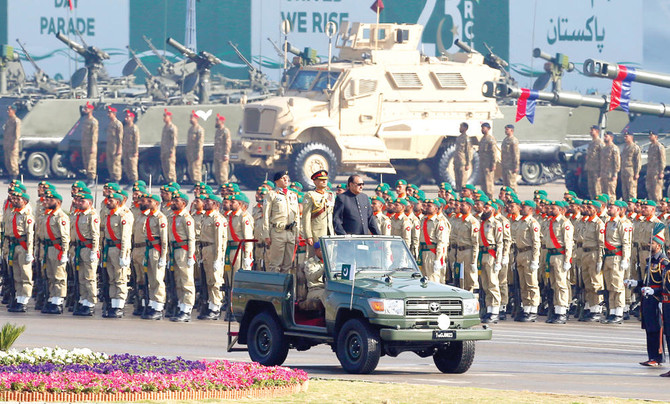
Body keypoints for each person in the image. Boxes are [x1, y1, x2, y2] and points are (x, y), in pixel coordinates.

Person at [630, 224, 666, 367]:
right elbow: (647, 281)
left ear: (659, 245)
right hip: (647, 300)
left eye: (652, 243)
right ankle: (651, 356)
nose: (649, 245)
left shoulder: (663, 262)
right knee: (649, 329)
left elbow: (664, 284)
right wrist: (636, 283)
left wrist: (655, 292)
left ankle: (657, 358)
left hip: (657, 299)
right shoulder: (650, 261)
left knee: (657, 330)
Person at [101, 193, 133, 318]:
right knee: (112, 279)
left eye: (111, 200)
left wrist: (124, 255)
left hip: (119, 249)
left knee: (120, 278)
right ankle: (113, 305)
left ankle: (119, 306)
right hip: (109, 249)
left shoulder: (122, 216)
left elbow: (125, 237)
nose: (108, 202)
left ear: (118, 202)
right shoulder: (108, 216)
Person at [262, 171, 300, 273]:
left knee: (288, 265)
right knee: (275, 265)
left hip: (290, 232)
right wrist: (266, 234)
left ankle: (285, 288)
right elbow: (265, 215)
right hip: (277, 232)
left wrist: (297, 234)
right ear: (276, 181)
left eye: (287, 178)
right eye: (283, 178)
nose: (286, 180)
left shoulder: (293, 195)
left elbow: (297, 216)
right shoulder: (271, 195)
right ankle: (275, 288)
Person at [510, 200, 541, 322]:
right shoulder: (521, 222)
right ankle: (526, 308)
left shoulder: (532, 223)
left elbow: (536, 242)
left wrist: (535, 259)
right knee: (523, 284)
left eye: (524, 207)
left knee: (531, 284)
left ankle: (533, 309)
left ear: (531, 210)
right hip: (520, 254)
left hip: (529, 254)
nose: (522, 208)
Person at [543, 201, 574, 324]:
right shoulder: (550, 222)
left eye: (553, 208)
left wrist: (567, 260)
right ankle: (556, 310)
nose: (550, 209)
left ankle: (562, 311)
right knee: (554, 284)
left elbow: (568, 243)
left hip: (560, 256)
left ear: (561, 210)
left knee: (561, 285)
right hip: (551, 255)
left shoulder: (565, 223)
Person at [602, 201, 633, 324]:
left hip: (617, 257)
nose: (609, 209)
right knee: (610, 286)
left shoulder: (622, 224)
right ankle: (612, 311)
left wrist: (625, 259)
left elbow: (626, 243)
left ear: (619, 210)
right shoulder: (608, 223)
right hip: (608, 257)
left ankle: (619, 313)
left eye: (611, 207)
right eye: (608, 207)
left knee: (618, 286)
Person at [198, 194, 228, 320]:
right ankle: (211, 304)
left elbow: (219, 241)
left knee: (215, 280)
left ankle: (216, 307)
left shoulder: (218, 219)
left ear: (216, 204)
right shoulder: (206, 217)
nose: (205, 203)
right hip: (205, 250)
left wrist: (218, 258)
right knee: (209, 280)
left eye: (208, 201)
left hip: (213, 250)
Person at [168, 191, 196, 322]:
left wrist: (190, 256)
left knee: (186, 281)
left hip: (184, 251)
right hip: (175, 251)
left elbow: (191, 238)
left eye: (176, 201)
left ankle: (187, 309)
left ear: (183, 203)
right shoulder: (173, 217)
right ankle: (181, 305)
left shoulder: (186, 218)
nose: (173, 203)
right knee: (178, 280)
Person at [70, 192, 100, 316]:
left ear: (90, 203)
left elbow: (95, 235)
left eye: (83, 201)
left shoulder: (92, 216)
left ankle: (91, 303)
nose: (79, 203)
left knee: (90, 277)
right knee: (81, 277)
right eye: (79, 201)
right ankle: (83, 300)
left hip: (88, 249)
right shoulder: (79, 215)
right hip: (80, 249)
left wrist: (94, 250)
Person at [140, 194, 169, 320]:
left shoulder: (160, 217)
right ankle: (152, 304)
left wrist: (163, 256)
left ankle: (158, 307)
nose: (148, 203)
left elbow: (164, 240)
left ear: (156, 203)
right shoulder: (150, 217)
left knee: (158, 279)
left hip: (157, 250)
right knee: (151, 279)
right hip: (150, 249)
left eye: (150, 201)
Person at [41, 190, 70, 314]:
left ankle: (58, 301)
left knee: (59, 277)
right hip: (48, 249)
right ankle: (52, 298)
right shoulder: (48, 215)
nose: (46, 201)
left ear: (57, 202)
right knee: (50, 276)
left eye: (50, 200)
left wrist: (64, 253)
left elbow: (65, 237)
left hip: (57, 249)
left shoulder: (61, 217)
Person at [475, 196, 503, 323]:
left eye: (487, 208)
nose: (484, 209)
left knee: (493, 283)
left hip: (492, 254)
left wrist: (498, 260)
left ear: (492, 209)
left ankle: (495, 311)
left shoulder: (496, 224)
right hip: (483, 254)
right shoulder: (482, 223)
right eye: (484, 207)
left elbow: (500, 243)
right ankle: (489, 309)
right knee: (485, 284)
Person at [5, 190, 34, 312]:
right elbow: (7, 232)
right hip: (13, 246)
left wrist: (29, 252)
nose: (15, 201)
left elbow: (30, 235)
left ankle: (24, 299)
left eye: (18, 199)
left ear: (25, 201)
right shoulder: (13, 213)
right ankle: (18, 296)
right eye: (15, 199)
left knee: (25, 274)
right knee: (16, 274)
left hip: (23, 247)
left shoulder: (27, 215)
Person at [302, 170, 335, 258]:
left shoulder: (330, 195)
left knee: (329, 259)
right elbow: (306, 217)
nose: (324, 181)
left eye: (325, 179)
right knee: (315, 260)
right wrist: (308, 235)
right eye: (321, 180)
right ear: (314, 181)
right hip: (316, 233)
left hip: (329, 232)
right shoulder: (310, 195)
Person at [419, 199, 449, 283]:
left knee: (432, 278)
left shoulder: (439, 222)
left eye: (429, 206)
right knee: (423, 279)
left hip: (432, 253)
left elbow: (441, 242)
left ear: (436, 209)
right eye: (427, 205)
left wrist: (438, 259)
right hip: (423, 252)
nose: (427, 207)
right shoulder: (423, 220)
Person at [297, 241, 326, 311]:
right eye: (321, 250)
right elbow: (311, 277)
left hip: (328, 288)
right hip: (315, 289)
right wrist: (324, 269)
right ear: (316, 251)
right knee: (328, 296)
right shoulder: (310, 262)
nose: (323, 252)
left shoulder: (329, 262)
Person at [80, 102, 99, 185]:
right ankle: (88, 178)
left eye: (86, 108)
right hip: (85, 144)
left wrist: (93, 146)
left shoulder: (94, 122)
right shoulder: (85, 120)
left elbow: (94, 135)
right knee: (86, 162)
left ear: (91, 110)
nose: (85, 110)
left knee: (91, 162)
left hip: (91, 145)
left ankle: (92, 180)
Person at [600, 131, 621, 202]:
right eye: (604, 136)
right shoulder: (604, 148)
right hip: (603, 174)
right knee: (604, 194)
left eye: (606, 136)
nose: (605, 138)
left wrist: (615, 174)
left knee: (611, 193)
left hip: (610, 175)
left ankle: (612, 207)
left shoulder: (614, 148)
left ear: (611, 138)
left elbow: (617, 162)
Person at [620, 130, 641, 200]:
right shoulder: (625, 147)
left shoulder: (635, 147)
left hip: (631, 171)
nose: (625, 138)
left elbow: (638, 161)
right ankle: (626, 206)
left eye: (626, 136)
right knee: (624, 190)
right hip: (624, 171)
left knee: (631, 191)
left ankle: (632, 206)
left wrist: (637, 173)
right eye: (624, 136)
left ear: (631, 137)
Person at [478, 122, 497, 198]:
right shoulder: (482, 139)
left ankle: (490, 198)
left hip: (488, 165)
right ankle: (485, 198)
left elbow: (493, 152)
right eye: (482, 128)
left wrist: (493, 164)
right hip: (482, 164)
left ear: (488, 129)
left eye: (484, 128)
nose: (482, 129)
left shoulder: (490, 139)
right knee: (483, 183)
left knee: (488, 183)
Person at [646, 130, 666, 202]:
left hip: (656, 172)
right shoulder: (650, 146)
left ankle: (658, 206)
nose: (649, 137)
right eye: (649, 135)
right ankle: (652, 204)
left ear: (656, 137)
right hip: (650, 172)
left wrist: (661, 172)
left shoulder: (659, 146)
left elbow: (662, 160)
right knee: (650, 190)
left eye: (651, 135)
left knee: (656, 191)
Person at [105, 106, 123, 182]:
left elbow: (120, 137)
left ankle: (116, 180)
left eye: (110, 113)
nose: (108, 114)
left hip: (116, 147)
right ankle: (112, 178)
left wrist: (119, 148)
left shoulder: (118, 124)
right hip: (110, 147)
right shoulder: (110, 124)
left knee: (116, 164)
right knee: (110, 163)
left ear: (114, 114)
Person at [501, 124, 520, 192]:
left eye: (507, 129)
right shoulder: (505, 140)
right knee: (505, 186)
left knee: (512, 185)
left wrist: (516, 166)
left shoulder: (513, 140)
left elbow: (516, 154)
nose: (505, 131)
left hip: (511, 166)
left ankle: (514, 200)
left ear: (511, 130)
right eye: (505, 129)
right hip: (505, 165)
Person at [213, 113, 232, 185]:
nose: (216, 122)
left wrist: (226, 154)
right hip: (217, 154)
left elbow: (228, 143)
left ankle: (225, 186)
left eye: (217, 120)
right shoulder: (218, 131)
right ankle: (220, 186)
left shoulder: (225, 131)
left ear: (222, 121)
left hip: (222, 155)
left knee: (223, 173)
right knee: (217, 172)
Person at [187, 110, 205, 184]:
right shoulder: (191, 129)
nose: (191, 119)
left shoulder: (199, 129)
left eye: (192, 117)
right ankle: (195, 184)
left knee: (196, 170)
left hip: (196, 153)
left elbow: (200, 142)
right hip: (190, 153)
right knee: (191, 170)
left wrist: (198, 153)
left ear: (196, 119)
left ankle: (199, 185)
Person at [3, 105, 20, 180]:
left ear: (14, 111)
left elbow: (17, 134)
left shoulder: (16, 121)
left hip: (13, 144)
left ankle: (14, 178)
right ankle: (10, 177)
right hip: (7, 144)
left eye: (9, 110)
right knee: (7, 161)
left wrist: (15, 144)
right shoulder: (9, 120)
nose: (8, 111)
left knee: (13, 161)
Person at [122, 110, 140, 184]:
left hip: (132, 151)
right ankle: (130, 180)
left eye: (128, 117)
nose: (126, 118)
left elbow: (136, 140)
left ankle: (134, 181)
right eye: (126, 117)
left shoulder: (134, 128)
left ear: (132, 118)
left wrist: (136, 151)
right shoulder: (125, 127)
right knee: (127, 167)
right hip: (126, 150)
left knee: (132, 167)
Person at [586, 125, 603, 199]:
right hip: (590, 169)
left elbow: (603, 157)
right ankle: (593, 204)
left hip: (597, 170)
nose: (590, 132)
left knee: (597, 189)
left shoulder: (600, 142)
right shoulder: (591, 143)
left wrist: (601, 170)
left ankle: (598, 205)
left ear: (597, 131)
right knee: (591, 188)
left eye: (592, 130)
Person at [161, 109, 178, 183]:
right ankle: (168, 181)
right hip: (164, 151)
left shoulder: (172, 128)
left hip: (169, 151)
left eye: (165, 116)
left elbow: (174, 140)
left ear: (170, 118)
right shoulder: (165, 127)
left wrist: (172, 151)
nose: (164, 118)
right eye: (164, 116)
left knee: (171, 168)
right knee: (165, 168)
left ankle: (173, 183)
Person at [453, 122, 471, 190]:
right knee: (457, 181)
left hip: (463, 162)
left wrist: (468, 163)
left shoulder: (466, 138)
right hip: (457, 161)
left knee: (463, 181)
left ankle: (463, 196)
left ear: (465, 128)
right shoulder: (459, 138)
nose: (460, 128)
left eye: (461, 127)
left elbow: (468, 151)